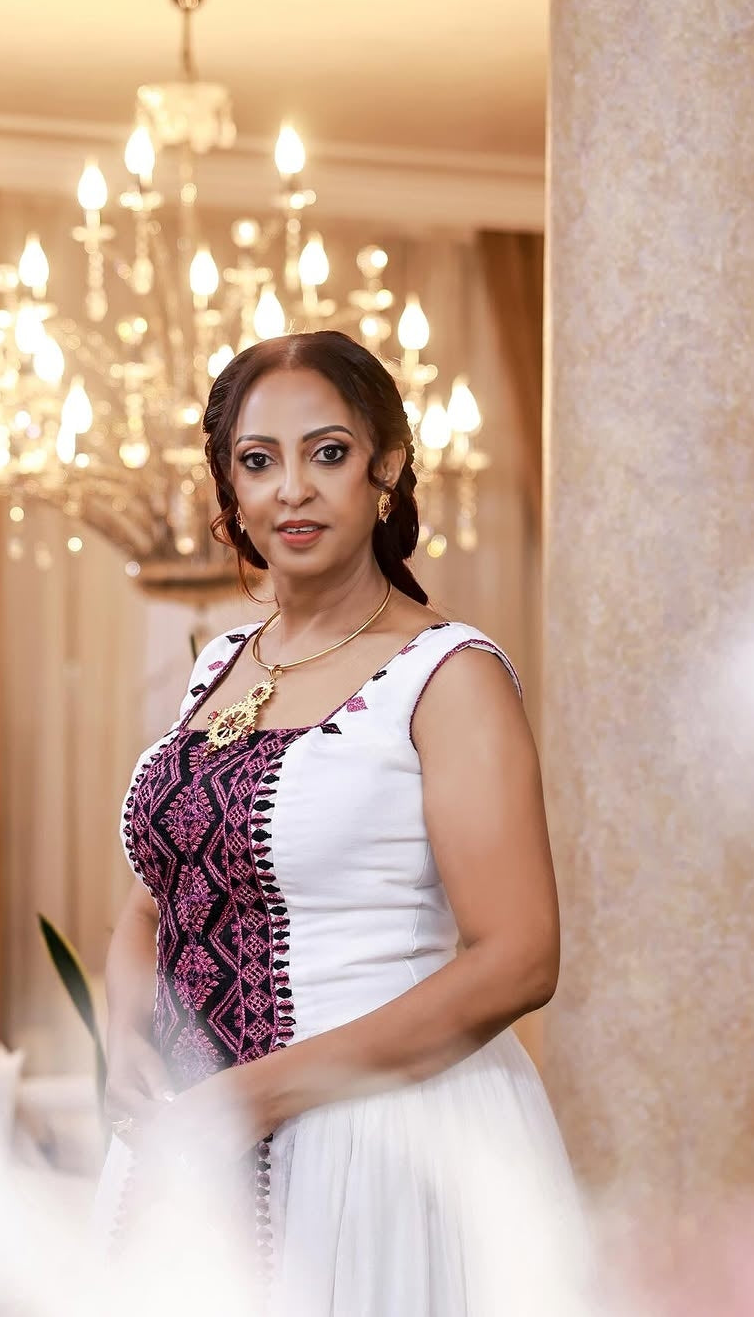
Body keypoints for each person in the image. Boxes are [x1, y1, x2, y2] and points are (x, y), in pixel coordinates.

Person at [89, 331, 589, 1316]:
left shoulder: (449, 675)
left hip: (382, 1140)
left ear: (387, 468)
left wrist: (257, 1096)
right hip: (196, 1135)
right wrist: (121, 1039)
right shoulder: (219, 663)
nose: (292, 491)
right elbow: (155, 905)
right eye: (258, 461)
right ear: (231, 490)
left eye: (327, 453)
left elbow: (522, 958)